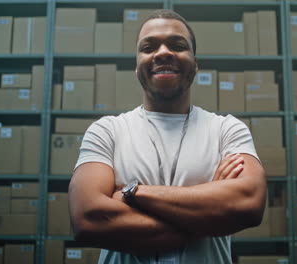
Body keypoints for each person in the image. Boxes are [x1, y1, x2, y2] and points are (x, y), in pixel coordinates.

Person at [69, 9, 267, 264]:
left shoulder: (227, 130)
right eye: (149, 47)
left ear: (195, 63)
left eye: (177, 45)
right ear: (137, 65)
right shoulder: (107, 131)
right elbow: (87, 219)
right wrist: (207, 214)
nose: (163, 52)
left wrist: (134, 193)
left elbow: (248, 204)